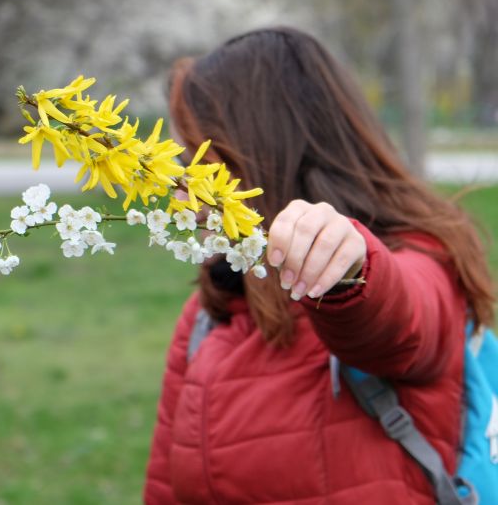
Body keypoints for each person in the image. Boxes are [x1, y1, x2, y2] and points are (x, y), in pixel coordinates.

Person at [143, 27, 495, 504]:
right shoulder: (210, 313)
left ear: (263, 149)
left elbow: (400, 322)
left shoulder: (414, 259)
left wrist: (349, 274)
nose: (182, 189)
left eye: (197, 157)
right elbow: (167, 487)